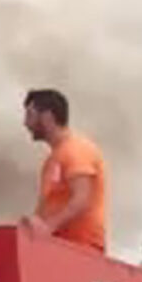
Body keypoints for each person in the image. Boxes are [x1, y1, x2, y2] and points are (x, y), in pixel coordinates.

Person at [21, 88, 108, 252]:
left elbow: (82, 199)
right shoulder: (52, 160)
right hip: (58, 249)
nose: (25, 123)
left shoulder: (77, 149)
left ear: (47, 116)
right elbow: (44, 210)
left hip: (82, 249)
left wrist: (47, 228)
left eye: (30, 115)